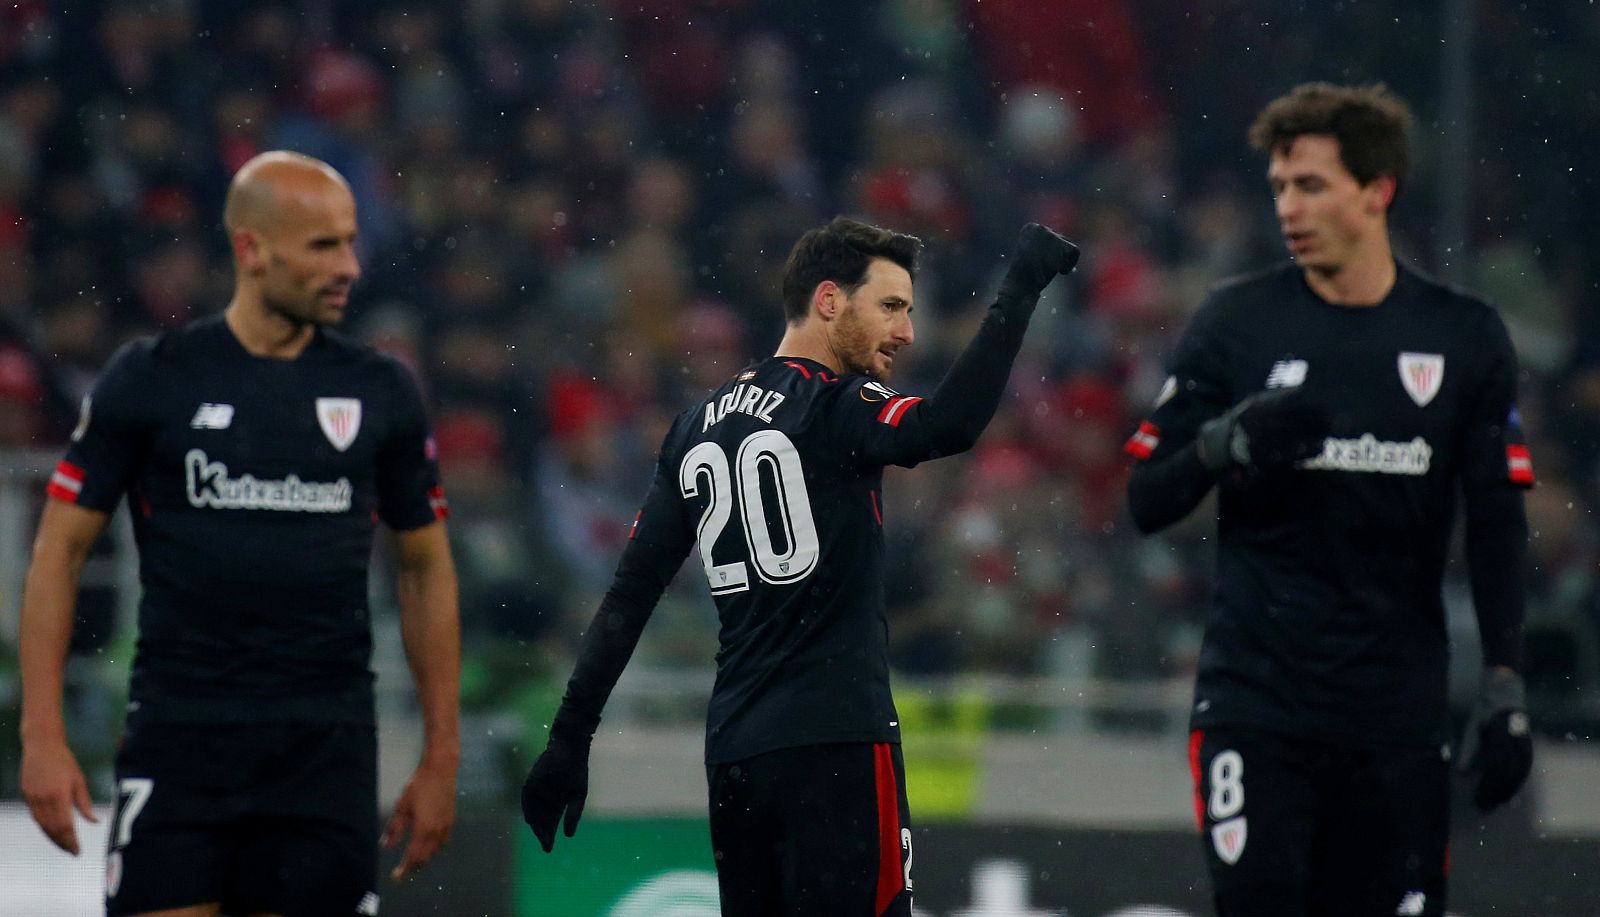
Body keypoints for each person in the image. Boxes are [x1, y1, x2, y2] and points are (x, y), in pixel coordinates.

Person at [520, 216, 1078, 914]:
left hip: (736, 758)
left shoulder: (697, 424)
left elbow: (629, 596)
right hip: (837, 745)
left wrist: (571, 737)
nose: (905, 332)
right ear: (828, 300)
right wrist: (1019, 287)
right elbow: (948, 427)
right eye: (891, 307)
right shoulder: (834, 403)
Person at [1125, 83, 1534, 916]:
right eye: (1279, 187)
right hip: (1258, 703)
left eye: (1310, 185)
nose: (1288, 206)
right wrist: (1220, 441)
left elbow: (1497, 522)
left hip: (1396, 716)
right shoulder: (1236, 322)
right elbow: (1146, 497)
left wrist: (1504, 680)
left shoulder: (1462, 336)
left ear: (1377, 190)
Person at [18, 151, 461, 917]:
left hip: (325, 751)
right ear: (252, 250)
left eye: (351, 242)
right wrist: (43, 734)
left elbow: (424, 567)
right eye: (323, 245)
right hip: (180, 738)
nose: (349, 266)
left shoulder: (380, 389)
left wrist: (441, 752)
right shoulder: (152, 378)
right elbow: (59, 550)